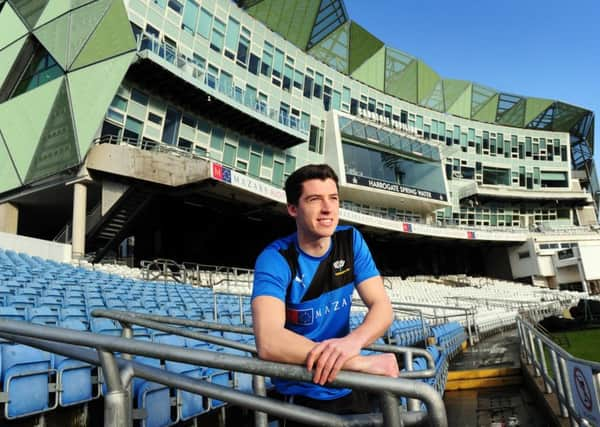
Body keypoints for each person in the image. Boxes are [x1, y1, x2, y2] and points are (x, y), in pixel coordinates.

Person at [251, 164, 399, 420]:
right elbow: (268, 341)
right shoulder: (275, 258)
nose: (328, 208)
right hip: (302, 394)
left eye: (333, 198)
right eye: (315, 199)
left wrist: (353, 343)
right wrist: (359, 362)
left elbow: (382, 307)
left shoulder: (350, 241)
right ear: (293, 209)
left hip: (348, 387)